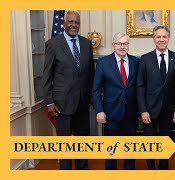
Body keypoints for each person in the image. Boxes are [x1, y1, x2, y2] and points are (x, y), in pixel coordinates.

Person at [43, 11, 95, 170]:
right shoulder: (53, 44)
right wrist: (49, 102)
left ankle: (82, 170)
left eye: (77, 22)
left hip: (83, 102)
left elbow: (90, 73)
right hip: (61, 104)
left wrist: (92, 96)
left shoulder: (87, 44)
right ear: (64, 23)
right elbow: (47, 75)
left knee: (83, 142)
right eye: (71, 22)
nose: (74, 25)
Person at [136, 25, 175, 170]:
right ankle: (151, 169)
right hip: (149, 109)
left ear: (168, 38)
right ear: (154, 39)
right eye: (158, 37)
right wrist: (143, 110)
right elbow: (140, 86)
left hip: (169, 109)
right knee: (149, 143)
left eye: (164, 37)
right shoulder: (145, 59)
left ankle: (163, 169)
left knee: (165, 142)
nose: (161, 39)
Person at [92, 32, 140, 170]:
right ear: (113, 45)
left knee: (130, 150)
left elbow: (140, 88)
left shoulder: (137, 62)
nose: (122, 46)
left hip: (131, 113)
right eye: (119, 43)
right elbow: (96, 90)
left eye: (125, 43)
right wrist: (100, 111)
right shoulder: (103, 62)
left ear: (128, 46)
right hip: (110, 113)